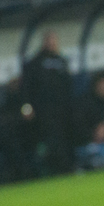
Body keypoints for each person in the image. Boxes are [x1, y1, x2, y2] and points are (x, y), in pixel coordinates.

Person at [22, 31, 74, 174]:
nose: (52, 44)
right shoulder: (34, 63)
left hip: (62, 111)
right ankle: (50, 168)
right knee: (48, 141)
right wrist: (27, 108)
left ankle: (65, 167)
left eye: (54, 41)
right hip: (43, 111)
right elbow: (26, 88)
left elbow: (68, 86)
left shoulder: (62, 61)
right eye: (49, 41)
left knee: (62, 139)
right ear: (44, 43)